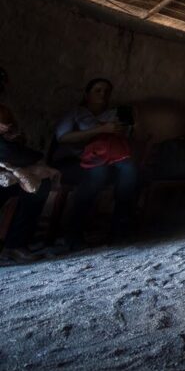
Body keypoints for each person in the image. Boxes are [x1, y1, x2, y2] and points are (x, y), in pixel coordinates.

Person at [54, 78, 140, 249]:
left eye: (107, 91)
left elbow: (128, 138)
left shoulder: (112, 115)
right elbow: (62, 138)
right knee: (98, 174)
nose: (103, 94)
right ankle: (73, 233)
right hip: (73, 161)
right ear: (87, 94)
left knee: (130, 170)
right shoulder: (76, 113)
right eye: (98, 90)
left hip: (107, 160)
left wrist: (126, 128)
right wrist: (100, 129)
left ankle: (119, 231)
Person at [0, 68, 59, 263]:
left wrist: (11, 135)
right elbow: (7, 151)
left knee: (40, 185)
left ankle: (15, 245)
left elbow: (14, 144)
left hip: (5, 169)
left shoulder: (2, 111)